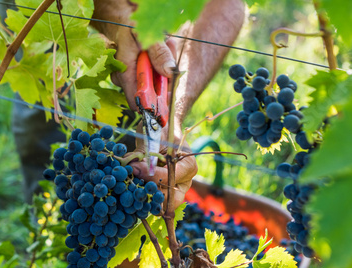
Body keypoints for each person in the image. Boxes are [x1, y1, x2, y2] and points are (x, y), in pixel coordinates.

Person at [13, 0, 246, 206]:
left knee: (126, 163)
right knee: (46, 107)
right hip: (48, 9)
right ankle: (45, 217)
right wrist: (116, 17)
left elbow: (224, 4)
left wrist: (170, 108)